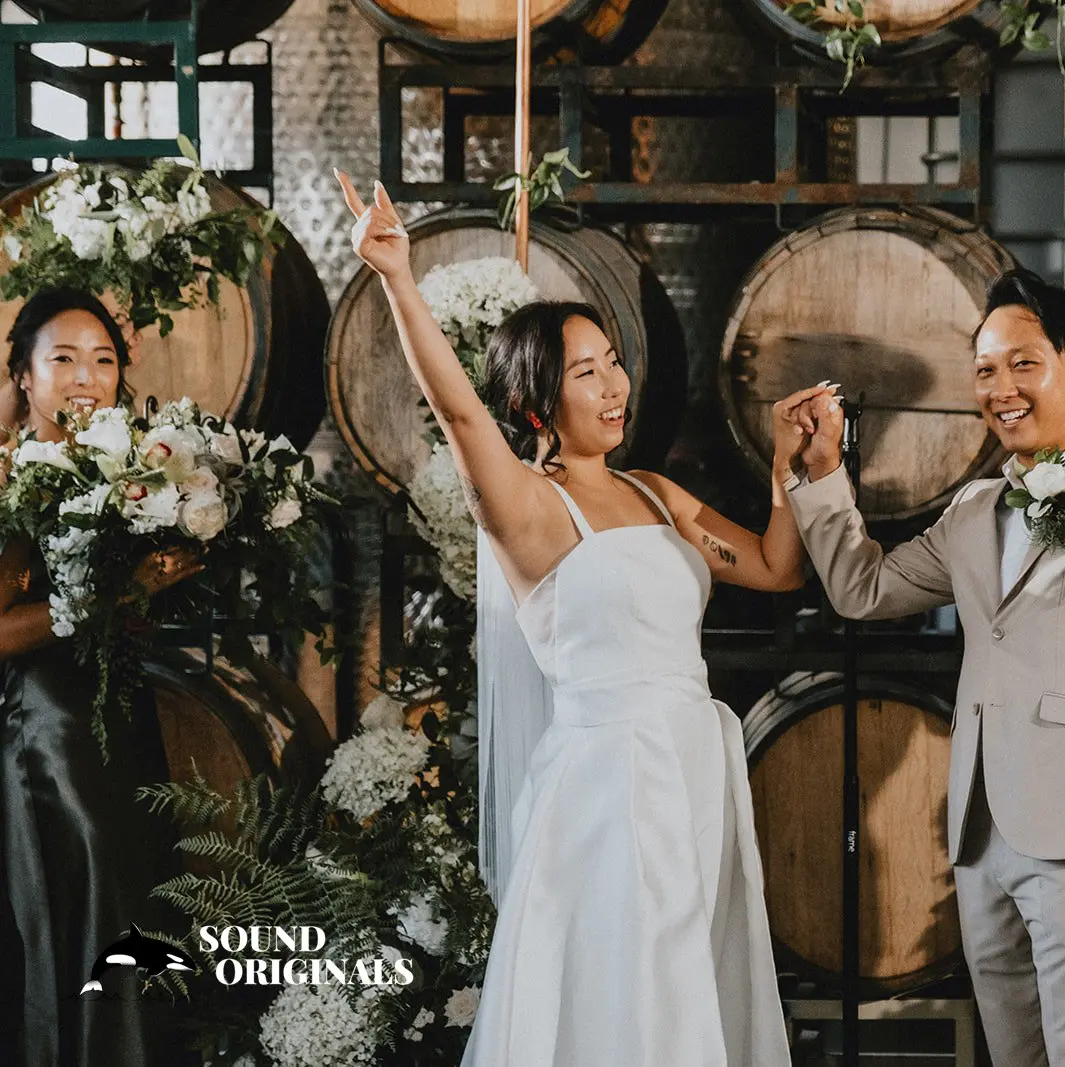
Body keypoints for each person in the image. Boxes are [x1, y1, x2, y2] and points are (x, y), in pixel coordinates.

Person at [336, 171, 801, 1067]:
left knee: (691, 985)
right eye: (586, 373)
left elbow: (778, 566)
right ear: (534, 403)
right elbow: (458, 411)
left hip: (693, 768)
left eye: (613, 362)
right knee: (629, 1000)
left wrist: (787, 467)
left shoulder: (655, 492)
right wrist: (396, 278)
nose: (614, 384)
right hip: (608, 783)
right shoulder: (525, 508)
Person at [778, 269, 1065, 1067]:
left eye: (1024, 364)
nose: (1001, 388)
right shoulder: (972, 509)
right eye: (985, 369)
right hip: (983, 832)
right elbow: (861, 588)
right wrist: (820, 474)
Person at [0, 286, 201, 1067]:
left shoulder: (117, 469)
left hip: (116, 716)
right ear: (23, 376)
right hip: (46, 732)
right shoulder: (14, 478)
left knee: (136, 896)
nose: (86, 376)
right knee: (83, 898)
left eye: (103, 359)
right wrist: (111, 598)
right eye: (64, 359)